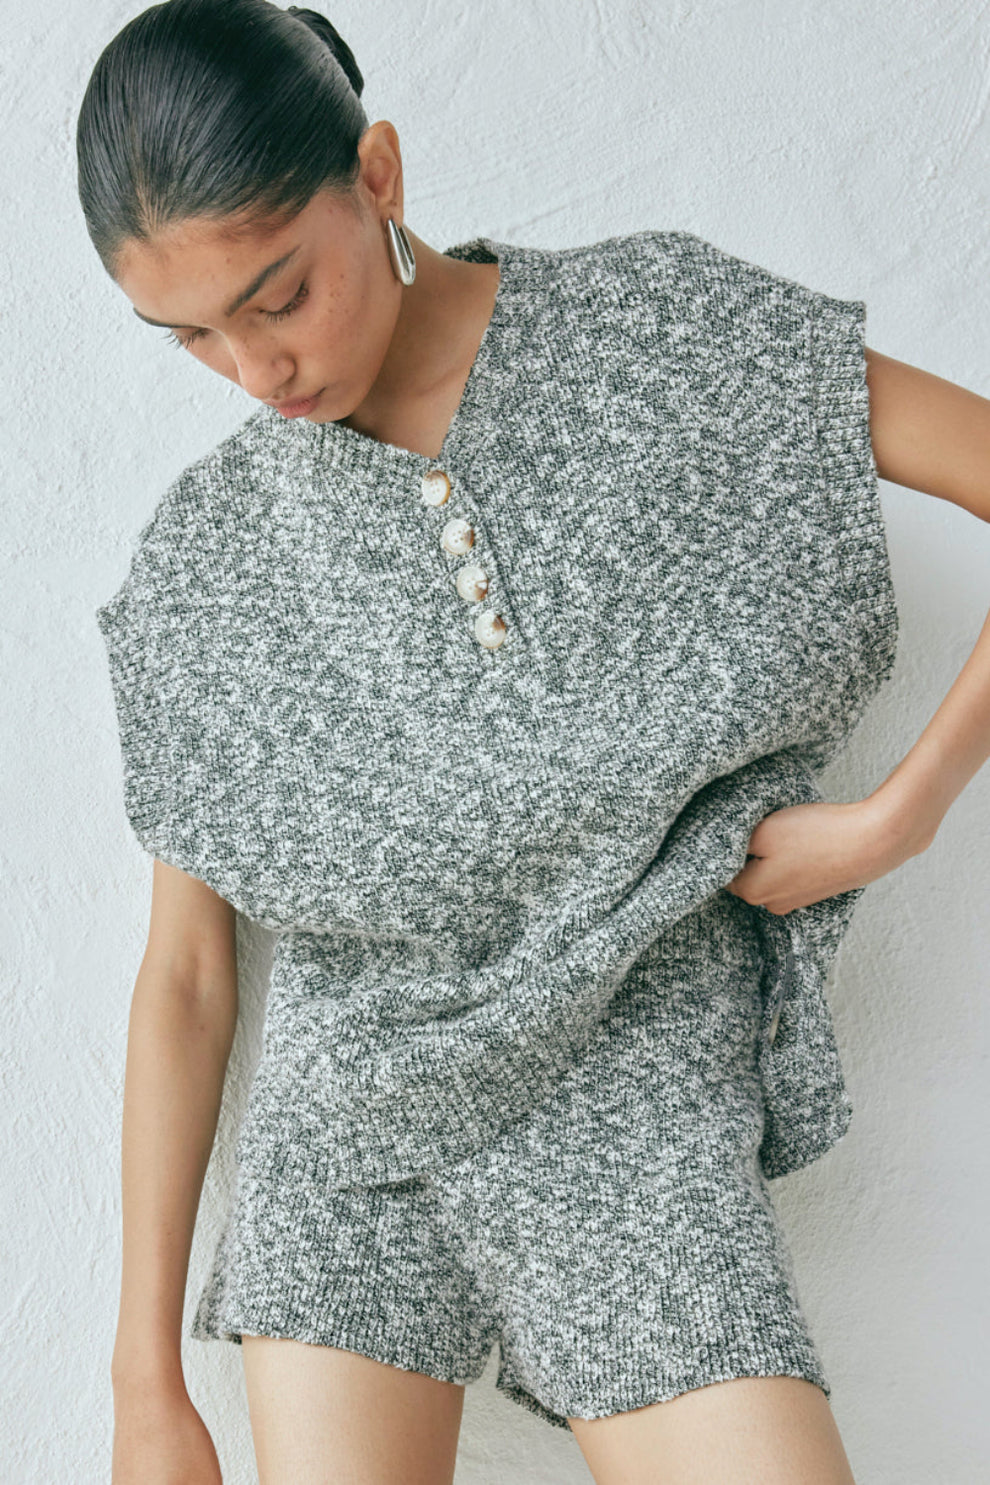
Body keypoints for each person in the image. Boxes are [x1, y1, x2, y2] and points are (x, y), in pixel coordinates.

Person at [78, 3, 990, 1483]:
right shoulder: (210, 562)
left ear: (377, 175)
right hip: (355, 1141)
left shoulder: (661, 334)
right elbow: (186, 974)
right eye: (190, 336)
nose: (255, 371)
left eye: (278, 295)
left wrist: (900, 814)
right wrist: (144, 1382)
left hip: (637, 1094)